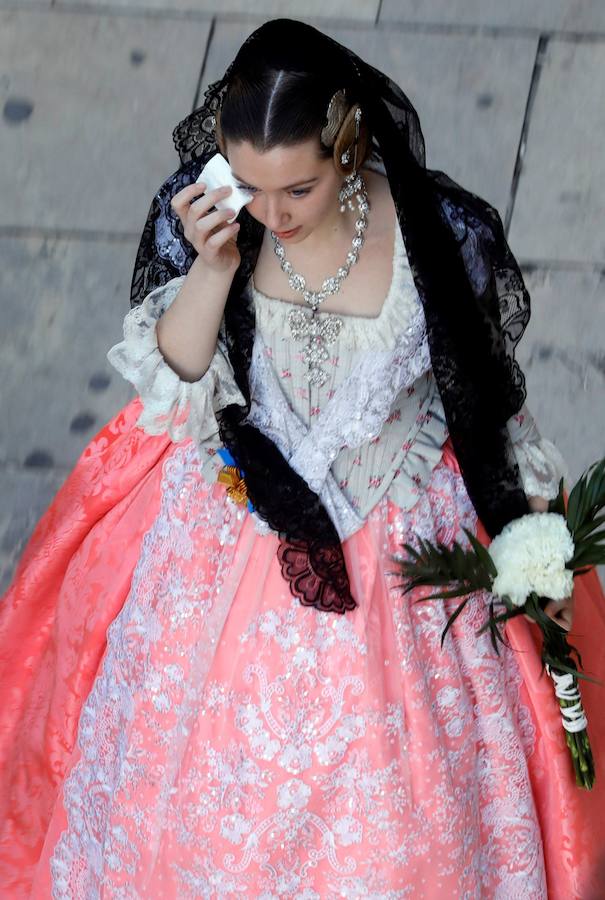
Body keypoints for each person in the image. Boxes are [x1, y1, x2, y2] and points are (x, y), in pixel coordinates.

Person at [1, 17, 604, 898]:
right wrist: (212, 266)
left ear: (350, 144)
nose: (270, 214)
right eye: (249, 184)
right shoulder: (221, 224)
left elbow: (482, 393)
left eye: (298, 189)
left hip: (400, 534)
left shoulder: (437, 232)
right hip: (238, 524)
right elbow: (174, 382)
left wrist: (525, 530)